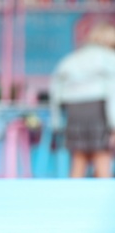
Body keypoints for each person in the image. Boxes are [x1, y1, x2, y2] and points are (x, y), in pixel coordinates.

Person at [50, 22, 115, 178]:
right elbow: (113, 94)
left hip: (73, 110)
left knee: (78, 157)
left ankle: (72, 199)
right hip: (99, 108)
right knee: (102, 155)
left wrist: (56, 123)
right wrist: (114, 126)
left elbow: (56, 92)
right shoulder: (109, 58)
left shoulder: (71, 59)